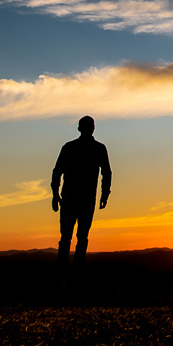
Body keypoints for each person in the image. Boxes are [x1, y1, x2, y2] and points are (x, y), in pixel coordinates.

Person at [51, 115, 112, 276]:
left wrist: (55, 194)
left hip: (75, 199)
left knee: (71, 237)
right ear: (92, 128)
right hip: (79, 199)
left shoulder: (71, 147)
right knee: (77, 237)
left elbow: (107, 173)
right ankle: (71, 275)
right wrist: (55, 194)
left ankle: (67, 275)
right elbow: (106, 173)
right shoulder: (96, 148)